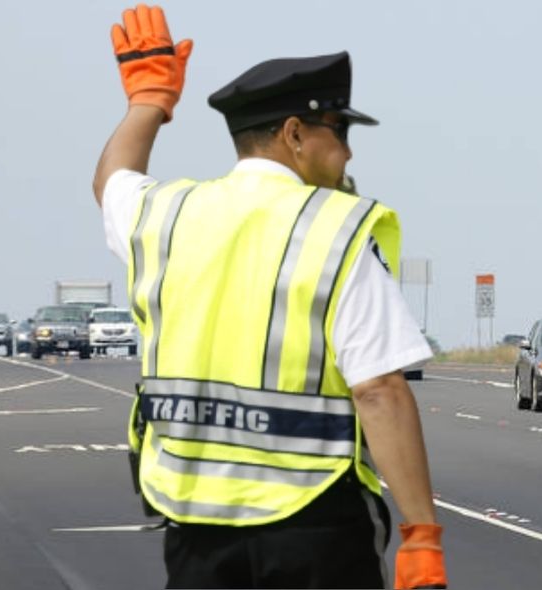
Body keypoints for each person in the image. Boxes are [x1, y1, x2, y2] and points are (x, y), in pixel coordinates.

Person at [92, 5, 447, 589]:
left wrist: (147, 104)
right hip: (314, 528)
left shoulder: (163, 215)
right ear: (294, 133)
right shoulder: (334, 229)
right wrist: (421, 534)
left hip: (193, 527)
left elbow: (112, 183)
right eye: (341, 130)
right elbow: (379, 390)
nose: (349, 153)